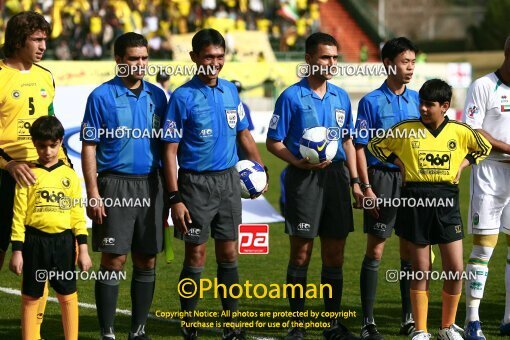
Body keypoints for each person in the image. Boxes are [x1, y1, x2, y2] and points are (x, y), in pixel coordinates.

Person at [162, 28, 267, 340]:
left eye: (220, 57)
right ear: (195, 57)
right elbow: (169, 151)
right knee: (196, 255)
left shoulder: (231, 92)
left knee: (230, 254)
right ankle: (189, 322)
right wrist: (174, 197)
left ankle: (231, 324)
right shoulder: (182, 97)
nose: (215, 62)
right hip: (194, 186)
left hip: (229, 183)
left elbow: (244, 133)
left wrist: (260, 167)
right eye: (208, 56)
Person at [368, 79, 491, 340]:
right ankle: (421, 330)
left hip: (447, 200)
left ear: (445, 106)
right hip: (415, 201)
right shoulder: (405, 130)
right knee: (421, 268)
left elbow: (483, 147)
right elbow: (375, 146)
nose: (423, 108)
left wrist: (463, 164)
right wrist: (399, 162)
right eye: (421, 103)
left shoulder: (459, 131)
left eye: (429, 104)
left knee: (455, 268)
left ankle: (447, 327)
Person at [266, 32, 363, 340]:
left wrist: (357, 182)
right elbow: (273, 141)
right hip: (303, 180)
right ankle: (297, 324)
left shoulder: (341, 97)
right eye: (325, 57)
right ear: (308, 59)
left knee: (335, 254)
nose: (331, 63)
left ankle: (332, 324)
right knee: (301, 254)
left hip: (336, 178)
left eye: (334, 57)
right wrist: (297, 161)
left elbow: (347, 140)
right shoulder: (291, 96)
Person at [81, 32, 168, 340]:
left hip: (151, 184)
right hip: (114, 185)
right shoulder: (100, 96)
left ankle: (139, 330)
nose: (140, 64)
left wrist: (170, 194)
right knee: (113, 259)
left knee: (147, 258)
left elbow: (168, 148)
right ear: (118, 60)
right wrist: (93, 193)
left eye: (144, 58)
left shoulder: (158, 96)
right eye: (133, 58)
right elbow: (89, 146)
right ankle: (107, 332)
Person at [0, 11, 71, 338]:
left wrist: (64, 164)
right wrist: (9, 164)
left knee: (40, 253)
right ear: (18, 40)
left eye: (45, 39)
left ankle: (34, 332)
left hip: (42, 176)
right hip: (6, 175)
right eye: (37, 39)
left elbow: (52, 125)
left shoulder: (46, 76)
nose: (44, 45)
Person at [353, 37, 420, 339]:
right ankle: (368, 322)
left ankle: (409, 317)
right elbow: (359, 146)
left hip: (412, 183)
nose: (410, 68)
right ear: (388, 63)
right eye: (405, 62)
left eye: (413, 62)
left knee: (409, 249)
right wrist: (366, 187)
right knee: (376, 248)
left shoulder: (419, 99)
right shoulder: (371, 102)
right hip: (380, 179)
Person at [9, 116, 92, 340]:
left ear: (61, 142)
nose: (47, 151)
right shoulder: (27, 174)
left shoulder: (70, 175)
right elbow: (18, 215)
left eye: (53, 145)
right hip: (34, 243)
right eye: (42, 146)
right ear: (35, 144)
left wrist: (83, 248)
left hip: (64, 243)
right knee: (31, 296)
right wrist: (17, 250)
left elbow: (77, 215)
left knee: (67, 294)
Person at [462, 35, 510, 339]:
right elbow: (472, 128)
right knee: (484, 248)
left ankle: (508, 318)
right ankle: (472, 320)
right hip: (491, 170)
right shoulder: (483, 86)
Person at [231, 79, 255, 160]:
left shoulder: (222, 105)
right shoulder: (244, 106)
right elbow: (248, 130)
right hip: (241, 142)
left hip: (229, 143)